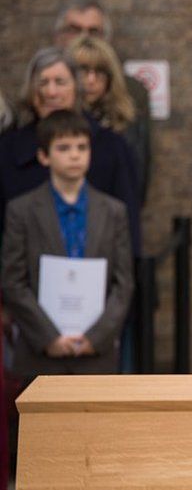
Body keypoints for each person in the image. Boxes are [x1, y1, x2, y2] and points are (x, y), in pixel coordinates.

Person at [1, 110, 133, 376]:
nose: (74, 155)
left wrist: (95, 338)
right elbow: (13, 280)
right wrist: (48, 337)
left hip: (96, 353)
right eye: (63, 148)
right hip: (41, 352)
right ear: (43, 156)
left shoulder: (113, 211)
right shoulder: (22, 210)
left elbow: (124, 283)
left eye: (82, 147)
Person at [0, 47, 141, 255]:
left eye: (60, 82)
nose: (51, 92)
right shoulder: (8, 149)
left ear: (76, 87)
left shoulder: (111, 148)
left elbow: (128, 225)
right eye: (42, 82)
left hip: (97, 274)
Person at [53, 0, 151, 202]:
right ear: (58, 36)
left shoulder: (131, 94)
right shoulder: (48, 90)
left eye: (93, 31)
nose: (83, 38)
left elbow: (137, 173)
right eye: (74, 29)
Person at [68, 35, 150, 204]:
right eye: (83, 70)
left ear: (110, 77)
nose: (91, 80)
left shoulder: (125, 122)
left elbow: (136, 183)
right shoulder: (59, 122)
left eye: (99, 72)